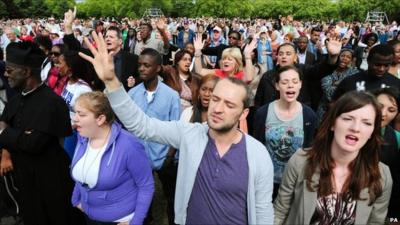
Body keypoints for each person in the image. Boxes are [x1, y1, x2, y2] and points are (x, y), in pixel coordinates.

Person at [79, 31, 274, 225]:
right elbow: (142, 125)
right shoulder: (190, 134)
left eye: (229, 105)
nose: (218, 108)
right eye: (215, 99)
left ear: (244, 113)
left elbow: (263, 212)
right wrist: (111, 81)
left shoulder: (258, 155)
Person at [274, 91, 393, 224]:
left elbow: (375, 222)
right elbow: (280, 211)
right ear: (332, 124)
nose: (356, 128)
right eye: (348, 119)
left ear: (372, 132)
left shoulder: (382, 176)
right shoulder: (301, 161)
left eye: (367, 123)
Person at [0, 41, 76, 225]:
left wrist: (5, 131)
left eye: (10, 70)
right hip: (25, 179)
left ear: (26, 72)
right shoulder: (17, 98)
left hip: (50, 180)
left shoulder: (51, 103)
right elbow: (4, 122)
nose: (5, 74)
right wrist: (14, 134)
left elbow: (32, 143)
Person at [71, 92, 154, 225]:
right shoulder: (83, 138)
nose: (75, 119)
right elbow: (82, 172)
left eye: (81, 114)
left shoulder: (128, 145)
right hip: (90, 216)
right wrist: (75, 200)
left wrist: (135, 222)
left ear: (100, 119)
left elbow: (146, 186)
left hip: (120, 220)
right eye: (75, 113)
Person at [127, 48, 180, 225]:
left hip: (164, 156)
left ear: (157, 68)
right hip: (139, 156)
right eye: (140, 65)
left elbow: (176, 128)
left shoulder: (171, 96)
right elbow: (128, 127)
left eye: (147, 65)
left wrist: (169, 156)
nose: (141, 69)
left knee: (171, 195)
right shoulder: (133, 94)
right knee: (141, 196)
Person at [254, 65, 317, 198]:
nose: (290, 86)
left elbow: (309, 151)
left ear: (300, 84)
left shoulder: (309, 115)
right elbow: (256, 148)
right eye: (285, 82)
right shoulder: (263, 113)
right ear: (277, 85)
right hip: (267, 183)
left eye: (295, 81)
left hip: (295, 183)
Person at [332, 44, 400, 101]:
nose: (381, 69)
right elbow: (334, 106)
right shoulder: (349, 82)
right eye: (377, 65)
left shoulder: (396, 84)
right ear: (368, 61)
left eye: (386, 65)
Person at [58, 50, 93, 159]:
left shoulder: (84, 89)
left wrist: (71, 126)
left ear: (70, 68)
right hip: (65, 130)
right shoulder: (68, 82)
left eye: (60, 63)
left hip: (75, 134)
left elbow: (89, 117)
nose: (57, 66)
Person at [373, 88, 400, 222]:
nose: (383, 114)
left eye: (391, 110)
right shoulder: (352, 132)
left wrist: (394, 217)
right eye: (379, 106)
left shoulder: (397, 139)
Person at [317, 48, 359, 121]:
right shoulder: (328, 71)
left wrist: (336, 84)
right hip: (324, 112)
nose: (345, 58)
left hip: (344, 111)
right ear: (338, 57)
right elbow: (329, 93)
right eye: (342, 56)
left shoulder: (355, 73)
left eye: (348, 57)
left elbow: (351, 92)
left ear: (351, 60)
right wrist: (344, 84)